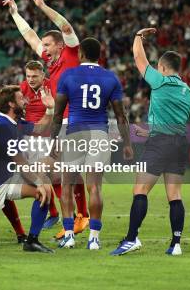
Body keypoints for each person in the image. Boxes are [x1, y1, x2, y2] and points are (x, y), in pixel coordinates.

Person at [5, 0, 89, 239]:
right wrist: (16, 14)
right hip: (63, 123)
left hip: (75, 124)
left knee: (60, 172)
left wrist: (42, 6)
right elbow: (30, 36)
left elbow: (65, 26)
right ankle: (75, 218)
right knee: (61, 172)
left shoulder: (71, 54)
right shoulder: (51, 63)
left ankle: (77, 218)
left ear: (60, 46)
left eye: (48, 45)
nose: (44, 49)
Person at [111, 28, 190, 256]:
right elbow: (175, 124)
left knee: (140, 190)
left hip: (160, 144)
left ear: (164, 68)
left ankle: (131, 239)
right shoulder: (187, 91)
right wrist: (148, 132)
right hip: (178, 144)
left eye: (158, 68)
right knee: (174, 195)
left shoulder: (162, 82)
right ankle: (176, 244)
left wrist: (138, 36)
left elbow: (139, 58)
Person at [50, 37, 133, 250]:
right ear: (99, 56)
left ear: (81, 54)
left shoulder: (68, 75)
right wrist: (127, 143)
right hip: (99, 134)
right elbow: (121, 116)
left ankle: (69, 235)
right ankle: (94, 238)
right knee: (94, 187)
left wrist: (53, 141)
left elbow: (58, 114)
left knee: (67, 185)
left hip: (75, 133)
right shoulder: (110, 78)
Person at [0, 85, 55, 253]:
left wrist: (50, 109)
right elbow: (19, 161)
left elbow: (40, 128)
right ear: (11, 104)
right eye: (21, 98)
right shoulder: (3, 127)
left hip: (7, 179)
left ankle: (32, 241)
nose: (25, 101)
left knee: (44, 190)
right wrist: (37, 181)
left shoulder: (14, 122)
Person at [19, 60, 60, 230]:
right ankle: (57, 212)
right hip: (28, 138)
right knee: (38, 176)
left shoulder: (52, 87)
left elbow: (60, 110)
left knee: (45, 175)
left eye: (34, 76)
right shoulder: (22, 88)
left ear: (43, 75)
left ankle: (60, 213)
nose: (30, 79)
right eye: (28, 76)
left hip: (46, 136)